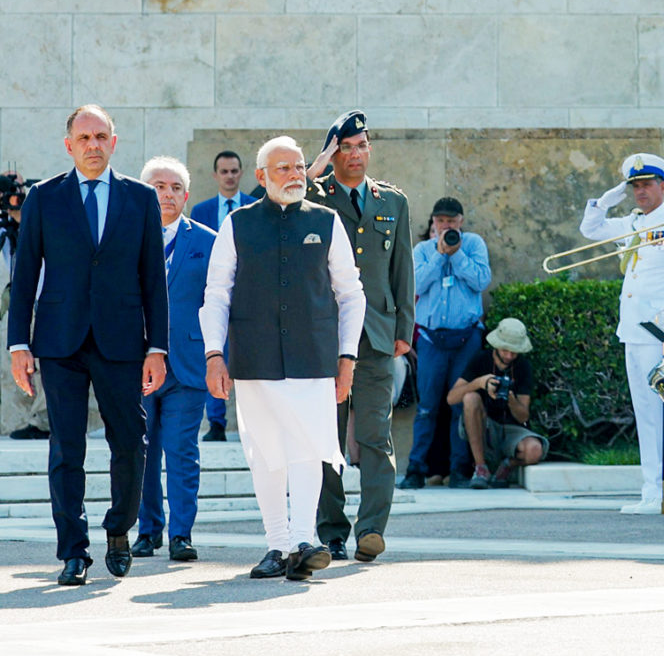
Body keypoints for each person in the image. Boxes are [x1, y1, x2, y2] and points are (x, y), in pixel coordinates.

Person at [6, 105, 168, 586]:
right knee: (66, 448)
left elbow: (153, 280)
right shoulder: (44, 197)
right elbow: (25, 274)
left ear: (113, 142)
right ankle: (73, 551)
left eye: (101, 136)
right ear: (69, 145)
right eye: (84, 137)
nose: (93, 145)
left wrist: (156, 347)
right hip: (60, 341)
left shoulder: (140, 198)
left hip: (122, 342)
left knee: (130, 445)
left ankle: (119, 530)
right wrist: (19, 343)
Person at [202, 136, 365, 582]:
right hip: (253, 359)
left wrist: (347, 357)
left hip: (314, 356)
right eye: (283, 169)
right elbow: (216, 294)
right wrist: (214, 354)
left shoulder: (328, 222)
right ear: (261, 177)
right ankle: (278, 544)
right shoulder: (237, 224)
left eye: (298, 167)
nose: (295, 175)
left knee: (309, 446)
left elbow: (351, 294)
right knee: (266, 453)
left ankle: (303, 539)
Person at [307, 110, 414, 564]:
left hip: (376, 335)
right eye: (345, 147)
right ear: (333, 152)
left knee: (374, 434)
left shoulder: (392, 201)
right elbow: (261, 206)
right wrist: (312, 169)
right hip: (324, 338)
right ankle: (331, 530)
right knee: (324, 439)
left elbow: (401, 268)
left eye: (361, 146)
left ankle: (371, 529)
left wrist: (404, 329)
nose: (355, 155)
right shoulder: (310, 195)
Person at [581, 152, 664, 514]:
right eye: (634, 186)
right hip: (633, 331)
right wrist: (610, 197)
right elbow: (590, 230)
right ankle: (651, 490)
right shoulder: (631, 223)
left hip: (662, 332)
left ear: (663, 186)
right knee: (645, 415)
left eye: (646, 184)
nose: (640, 191)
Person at [132, 157, 216, 563]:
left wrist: (221, 357)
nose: (167, 194)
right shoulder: (125, 236)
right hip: (137, 363)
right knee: (141, 452)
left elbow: (221, 304)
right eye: (158, 186)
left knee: (182, 450)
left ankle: (182, 533)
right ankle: (148, 531)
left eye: (175, 187)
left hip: (188, 362)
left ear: (187, 195)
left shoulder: (207, 241)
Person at [402, 197, 492, 490]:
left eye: (451, 222)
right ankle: (416, 469)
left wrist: (457, 255)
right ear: (433, 222)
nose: (446, 226)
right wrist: (440, 255)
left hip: (466, 337)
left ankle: (460, 470)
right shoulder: (423, 250)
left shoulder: (474, 244)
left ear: (461, 222)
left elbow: (481, 280)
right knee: (427, 407)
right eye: (441, 221)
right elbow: (414, 285)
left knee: (459, 407)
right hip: (431, 339)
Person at [193, 151, 255, 442]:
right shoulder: (201, 212)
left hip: (247, 296)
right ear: (216, 175)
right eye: (224, 171)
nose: (229, 176)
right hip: (213, 294)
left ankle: (249, 421)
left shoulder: (254, 208)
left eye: (234, 170)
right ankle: (216, 423)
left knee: (246, 359)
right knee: (214, 354)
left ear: (241, 173)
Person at [448, 318, 546, 487]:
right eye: (505, 350)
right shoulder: (481, 359)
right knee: (470, 398)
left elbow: (524, 415)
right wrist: (479, 383)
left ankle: (508, 465)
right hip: (484, 426)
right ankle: (481, 468)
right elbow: (451, 398)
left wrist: (511, 400)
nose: (509, 356)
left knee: (534, 450)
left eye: (514, 351)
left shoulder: (522, 367)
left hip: (512, 429)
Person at [0, 170, 51, 440]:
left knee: (45, 361)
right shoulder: (4, 228)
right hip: (23, 303)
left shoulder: (37, 215)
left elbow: (31, 226)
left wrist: (19, 201)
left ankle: (44, 420)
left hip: (47, 301)